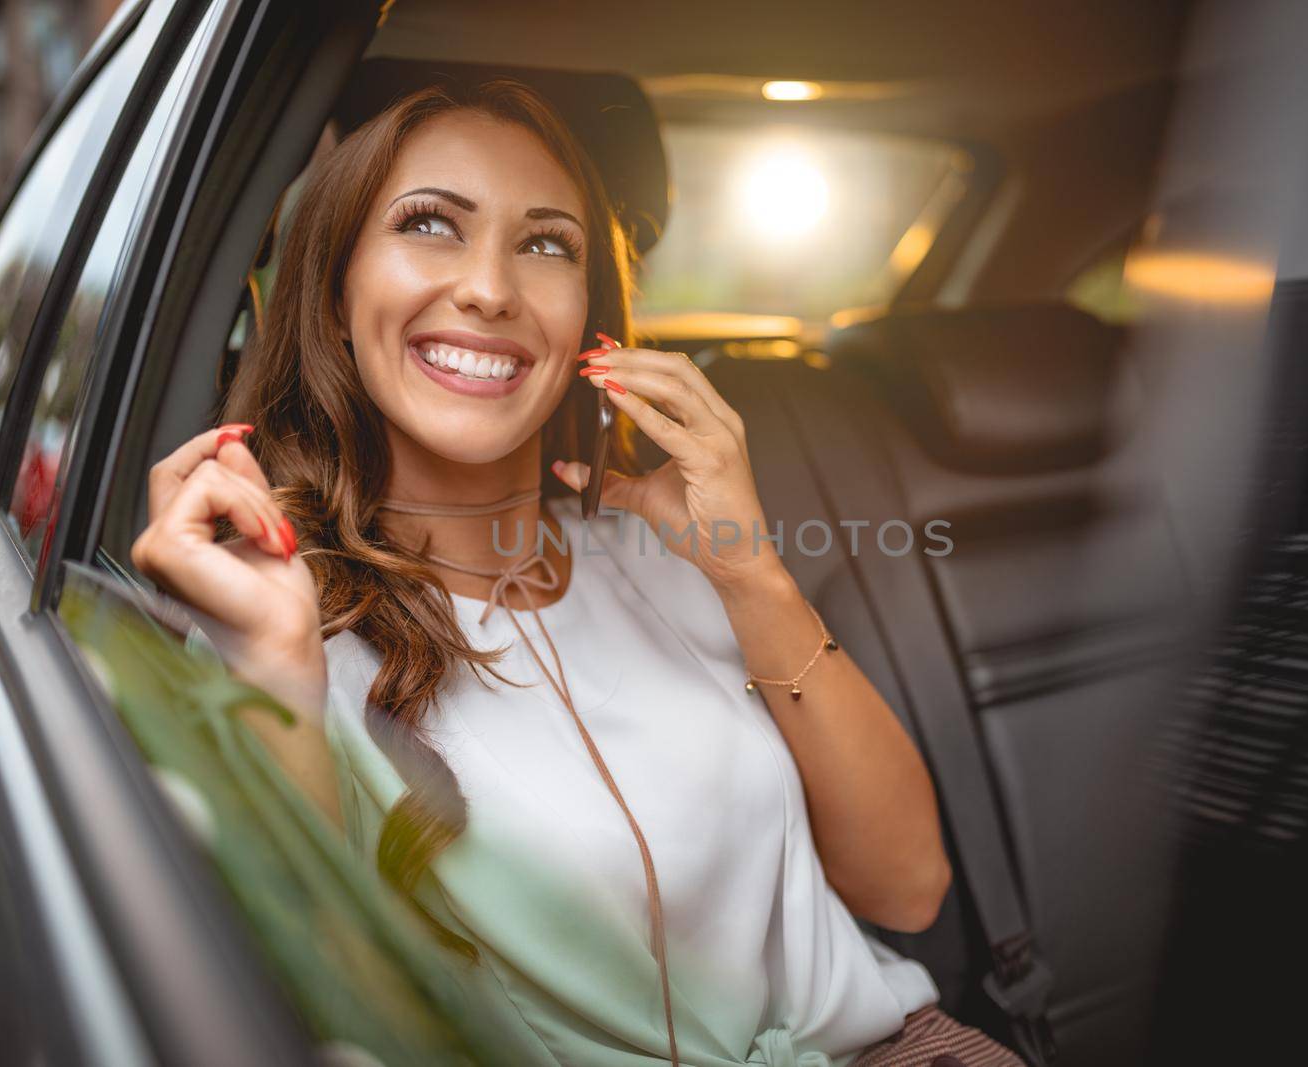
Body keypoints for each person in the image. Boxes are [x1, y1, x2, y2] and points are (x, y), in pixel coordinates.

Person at [130, 78, 1024, 1067]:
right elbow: (309, 1002)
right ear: (335, 296)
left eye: (546, 243)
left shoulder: (662, 549)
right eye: (429, 223)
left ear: (589, 324)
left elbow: (908, 885)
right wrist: (279, 664)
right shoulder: (277, 618)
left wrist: (751, 571)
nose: (491, 288)